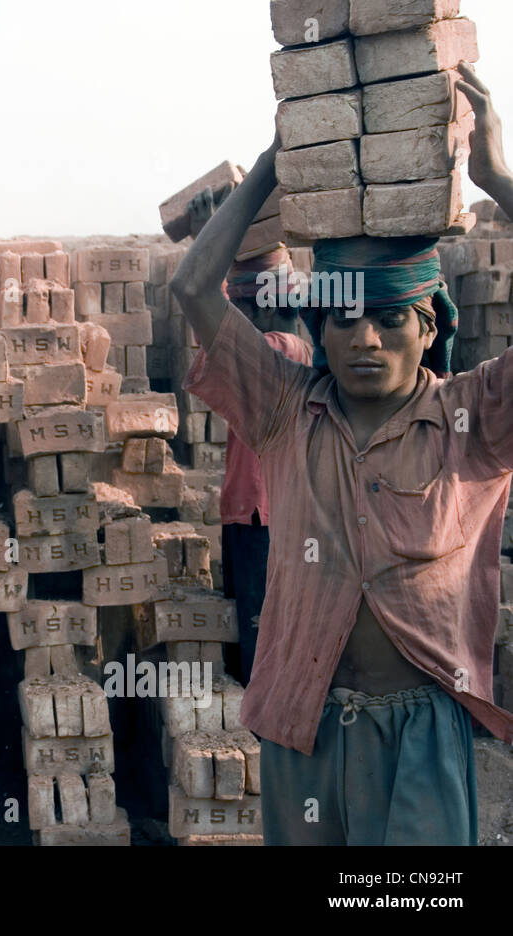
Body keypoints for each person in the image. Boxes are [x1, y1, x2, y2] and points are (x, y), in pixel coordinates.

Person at [168, 61, 513, 845]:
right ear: (318, 329)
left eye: (392, 319)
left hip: (423, 730)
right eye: (346, 319)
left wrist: (495, 175)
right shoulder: (285, 409)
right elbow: (192, 291)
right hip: (308, 725)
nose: (366, 339)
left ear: (430, 326)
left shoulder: (477, 418)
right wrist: (268, 171)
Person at [188, 188, 314, 684]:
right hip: (262, 510)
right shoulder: (301, 349)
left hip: (261, 515)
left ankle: (264, 725)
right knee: (259, 624)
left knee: (260, 634)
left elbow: (215, 336)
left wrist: (208, 241)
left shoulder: (277, 351)